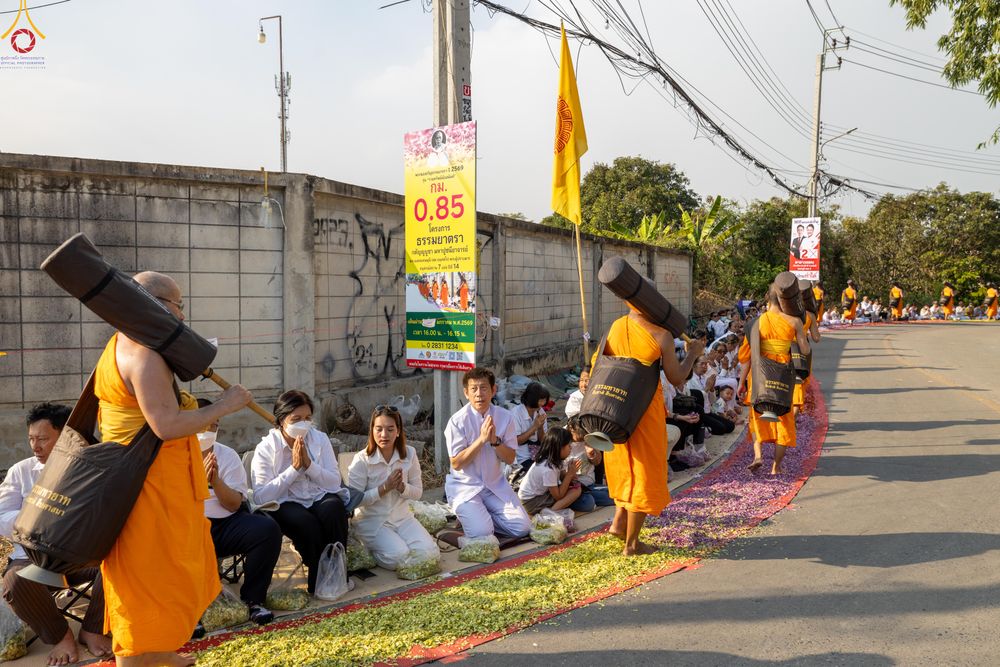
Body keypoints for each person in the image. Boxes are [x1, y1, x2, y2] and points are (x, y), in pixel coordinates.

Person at [96, 270, 251, 667]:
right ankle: (134, 659)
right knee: (145, 582)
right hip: (144, 489)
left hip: (157, 483)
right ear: (157, 305)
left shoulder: (123, 343)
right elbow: (164, 426)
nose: (182, 317)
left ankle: (161, 652)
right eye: (179, 306)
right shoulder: (143, 355)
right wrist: (224, 405)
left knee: (168, 576)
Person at [1, 403, 112, 665]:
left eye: (42, 439)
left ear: (63, 436)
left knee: (120, 565)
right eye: (31, 439)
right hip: (32, 557)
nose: (35, 446)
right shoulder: (22, 471)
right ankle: (61, 637)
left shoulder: (88, 469)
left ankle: (92, 629)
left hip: (79, 557)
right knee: (15, 583)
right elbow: (1, 515)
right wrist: (40, 519)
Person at [596, 306, 704, 556]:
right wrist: (692, 354)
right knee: (644, 471)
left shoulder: (616, 326)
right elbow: (677, 378)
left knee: (625, 465)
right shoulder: (660, 334)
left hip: (617, 407)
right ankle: (632, 544)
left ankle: (618, 523)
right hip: (644, 409)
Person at [252, 390, 350, 596]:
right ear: (281, 421)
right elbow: (261, 496)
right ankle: (318, 577)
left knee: (334, 509)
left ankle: (338, 572)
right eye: (296, 419)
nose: (303, 424)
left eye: (307, 418)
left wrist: (309, 465)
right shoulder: (266, 448)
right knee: (306, 523)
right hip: (285, 501)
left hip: (318, 494)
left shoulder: (319, 439)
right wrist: (294, 469)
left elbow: (334, 481)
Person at [195, 399, 281, 626]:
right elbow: (171, 504)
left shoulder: (227, 456)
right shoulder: (172, 456)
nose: (208, 431)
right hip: (190, 524)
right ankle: (191, 611)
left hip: (226, 522)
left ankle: (254, 600)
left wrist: (215, 481)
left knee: (267, 529)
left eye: (213, 425)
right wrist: (199, 484)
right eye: (202, 426)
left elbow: (233, 505)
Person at [347, 406, 439, 570]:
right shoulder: (361, 460)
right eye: (379, 429)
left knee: (430, 554)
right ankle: (371, 550)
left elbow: (418, 493)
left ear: (398, 431)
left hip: (403, 518)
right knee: (399, 557)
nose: (384, 435)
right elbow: (354, 501)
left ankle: (396, 543)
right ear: (372, 431)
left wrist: (402, 487)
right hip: (373, 522)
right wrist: (385, 488)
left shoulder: (409, 454)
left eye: (390, 429)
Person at [445, 368, 531, 540]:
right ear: (466, 393)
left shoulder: (505, 417)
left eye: (483, 388)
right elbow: (456, 463)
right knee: (482, 534)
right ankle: (475, 520)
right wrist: (481, 440)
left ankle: (480, 519)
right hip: (466, 488)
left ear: (493, 390)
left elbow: (510, 458)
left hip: (494, 486)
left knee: (522, 528)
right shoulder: (457, 421)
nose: (479, 394)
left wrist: (495, 442)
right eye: (474, 389)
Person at [738, 276, 811, 475]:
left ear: (767, 299)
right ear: (784, 300)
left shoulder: (755, 323)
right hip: (783, 376)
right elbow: (804, 351)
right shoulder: (794, 321)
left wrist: (741, 383)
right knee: (784, 419)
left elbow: (746, 356)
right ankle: (776, 466)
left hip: (759, 376)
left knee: (757, 416)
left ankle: (758, 455)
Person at [517, 427, 581, 514]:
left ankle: (550, 510)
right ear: (559, 448)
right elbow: (558, 496)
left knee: (575, 488)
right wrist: (569, 475)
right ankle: (550, 514)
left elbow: (562, 477)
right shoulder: (548, 468)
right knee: (576, 491)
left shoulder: (556, 460)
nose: (571, 449)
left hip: (540, 495)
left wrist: (571, 473)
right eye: (568, 446)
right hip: (530, 502)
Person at [564, 417, 613, 511]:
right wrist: (570, 474)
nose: (582, 438)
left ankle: (589, 496)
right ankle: (582, 499)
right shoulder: (561, 438)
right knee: (587, 503)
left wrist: (592, 454)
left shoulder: (589, 436)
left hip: (589, 485)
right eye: (580, 435)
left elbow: (598, 462)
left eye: (584, 435)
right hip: (570, 487)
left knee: (616, 495)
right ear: (571, 428)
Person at [511, 382, 550, 466]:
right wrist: (534, 427)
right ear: (532, 398)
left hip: (538, 453)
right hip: (522, 457)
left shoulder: (540, 411)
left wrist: (540, 427)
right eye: (541, 400)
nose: (544, 403)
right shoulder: (516, 413)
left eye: (545, 400)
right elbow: (515, 441)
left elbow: (543, 440)